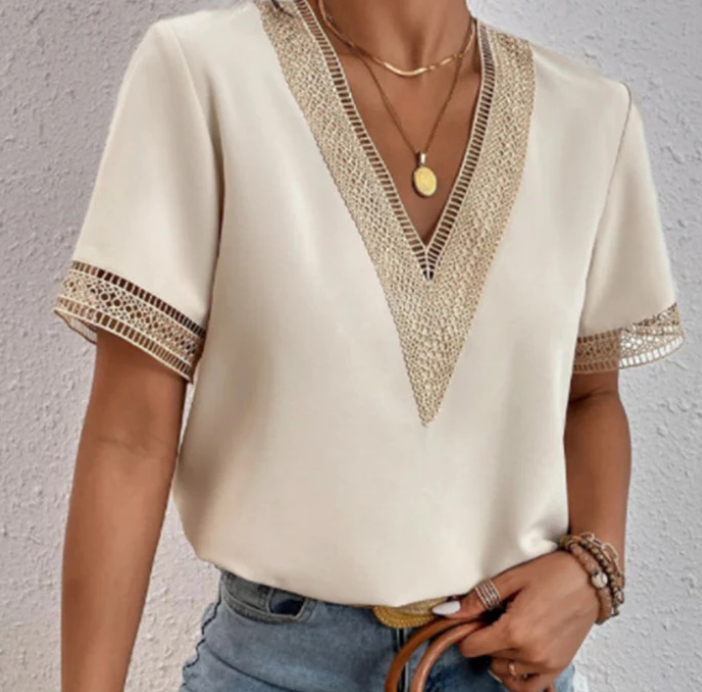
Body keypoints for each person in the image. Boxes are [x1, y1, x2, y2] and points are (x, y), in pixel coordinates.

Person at [52, 0, 686, 691]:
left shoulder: (590, 116)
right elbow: (130, 437)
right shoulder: (205, 73)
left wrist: (593, 572)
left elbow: (589, 397)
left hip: (505, 663)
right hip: (275, 667)